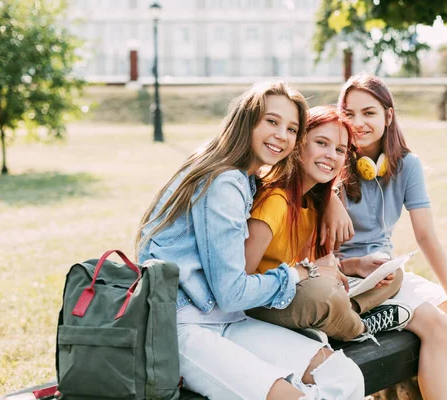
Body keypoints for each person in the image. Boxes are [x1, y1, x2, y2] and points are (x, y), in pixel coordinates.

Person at [136, 81, 364, 400]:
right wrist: (301, 272)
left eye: (291, 128)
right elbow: (231, 292)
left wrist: (332, 199)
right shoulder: (224, 183)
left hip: (227, 320)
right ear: (247, 121)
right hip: (183, 326)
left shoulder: (244, 176)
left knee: (343, 376)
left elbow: (294, 180)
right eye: (271, 121)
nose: (281, 135)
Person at [328, 73, 447, 400]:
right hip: (345, 280)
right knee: (437, 325)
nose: (357, 122)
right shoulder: (330, 163)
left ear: (389, 116)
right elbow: (315, 256)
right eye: (349, 113)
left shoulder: (407, 165)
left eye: (369, 112)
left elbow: (426, 236)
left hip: (389, 275)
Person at [244, 105, 412, 344]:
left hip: (301, 288)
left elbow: (305, 265)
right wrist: (315, 277)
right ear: (298, 144)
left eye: (340, 150)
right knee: (323, 295)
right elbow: (241, 284)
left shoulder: (313, 201)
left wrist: (354, 266)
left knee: (391, 273)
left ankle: (343, 313)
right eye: (321, 143)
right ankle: (359, 328)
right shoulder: (274, 202)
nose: (331, 155)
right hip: (265, 302)